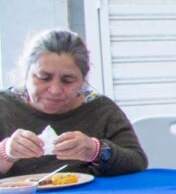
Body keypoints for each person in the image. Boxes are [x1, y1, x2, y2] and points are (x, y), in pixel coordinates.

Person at [0, 28, 146, 177]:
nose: (55, 90)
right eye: (43, 77)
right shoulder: (4, 106)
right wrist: (5, 152)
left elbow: (137, 162)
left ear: (83, 80)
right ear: (25, 74)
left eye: (68, 80)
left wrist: (96, 151)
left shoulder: (100, 109)